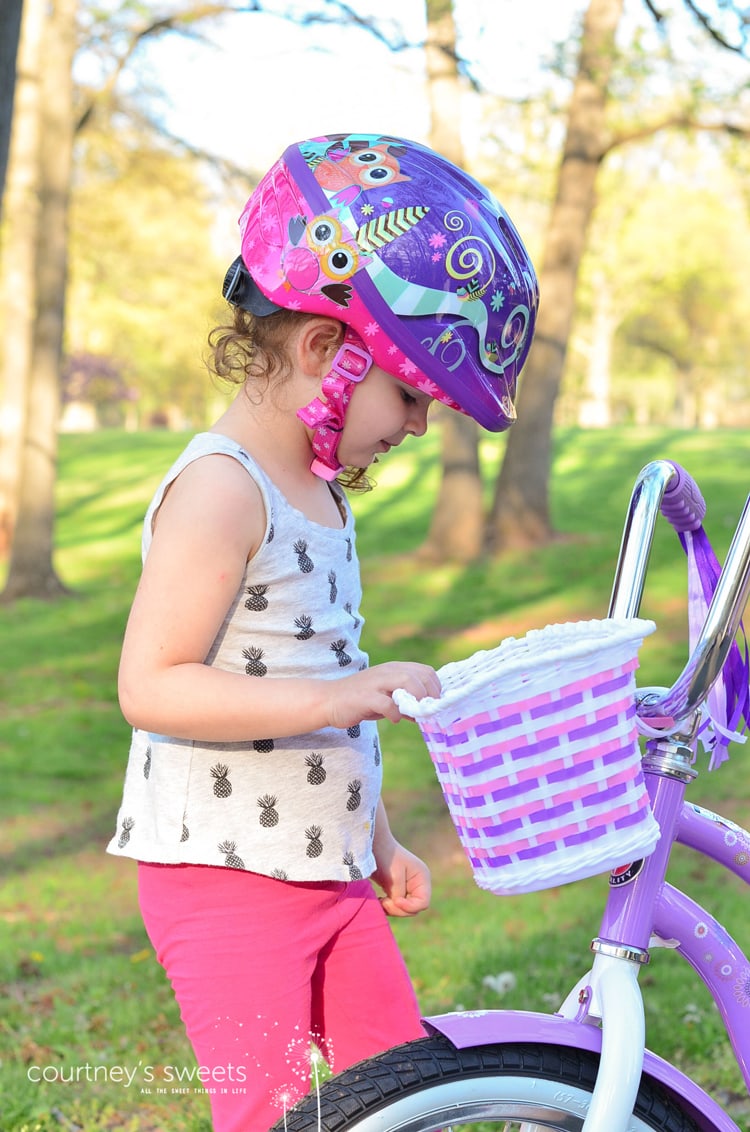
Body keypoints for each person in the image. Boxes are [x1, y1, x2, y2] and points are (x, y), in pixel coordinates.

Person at [107, 132, 538, 1132]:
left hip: (328, 871)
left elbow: (326, 670)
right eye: (412, 396)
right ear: (320, 351)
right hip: (223, 880)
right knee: (264, 1113)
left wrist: (377, 837)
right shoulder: (222, 489)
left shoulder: (322, 498)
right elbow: (153, 682)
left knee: (395, 1094)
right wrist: (338, 697)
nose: (419, 427)